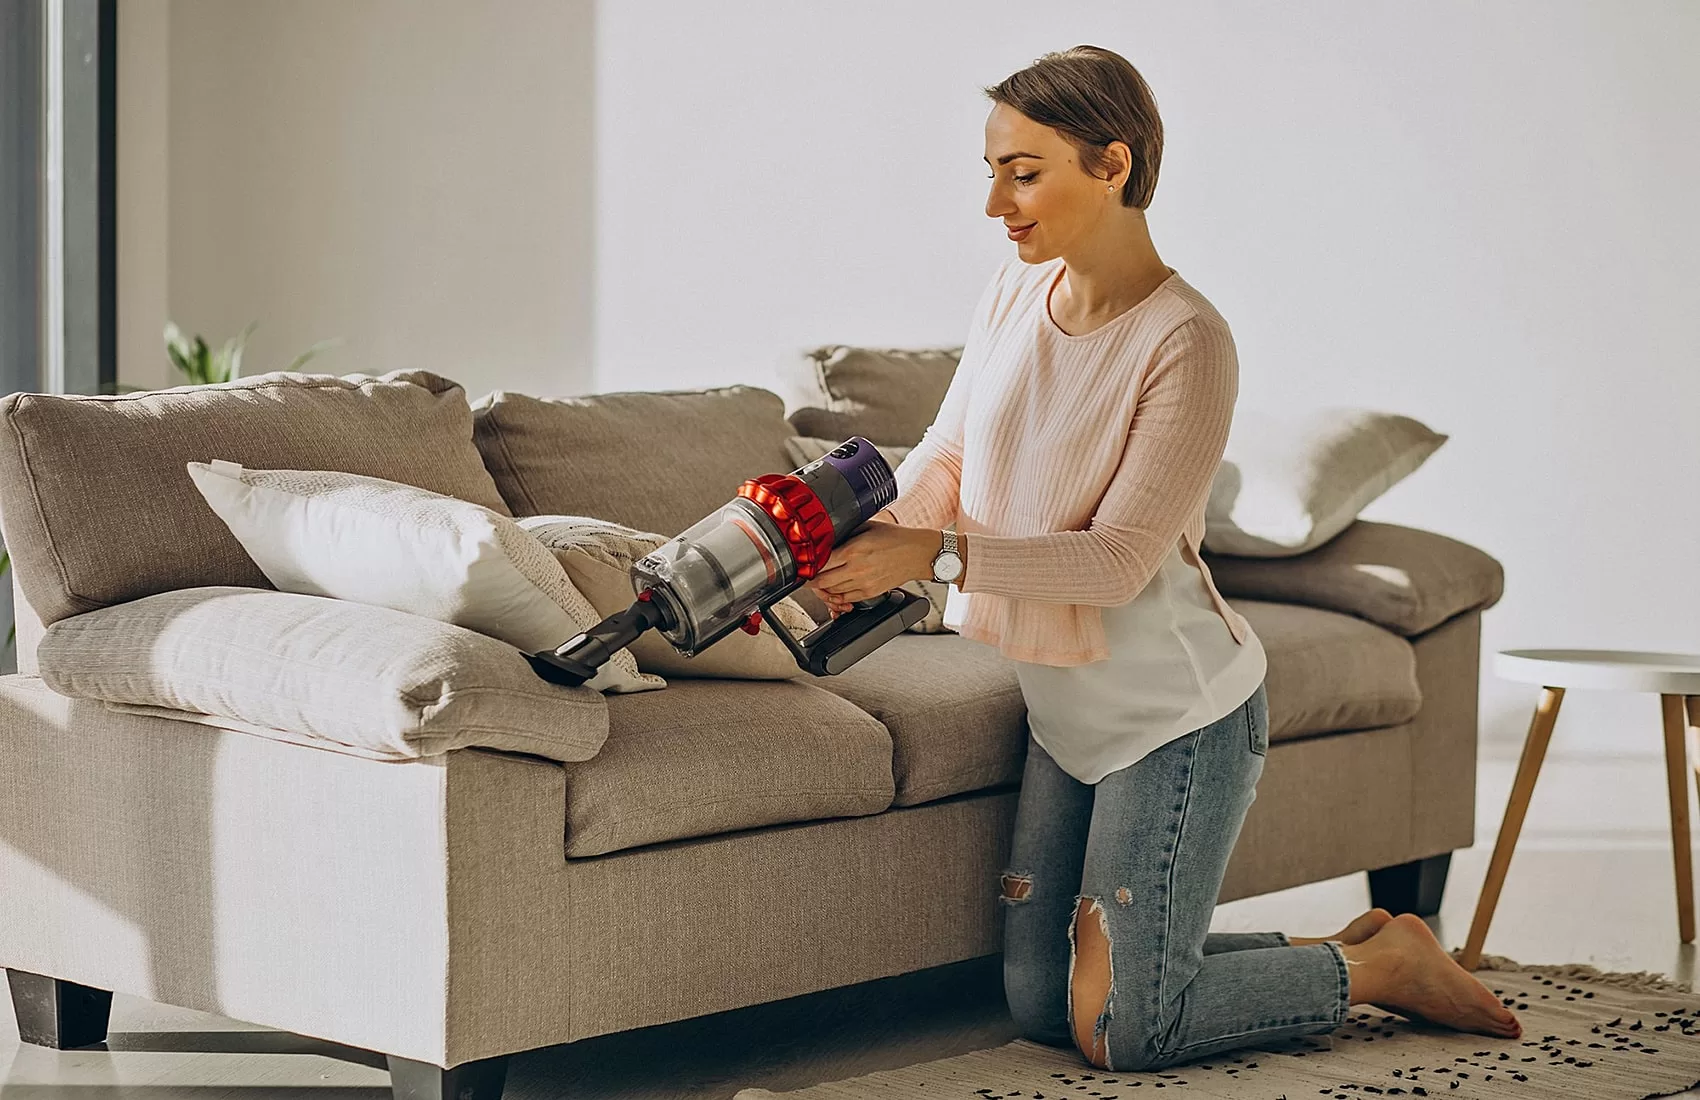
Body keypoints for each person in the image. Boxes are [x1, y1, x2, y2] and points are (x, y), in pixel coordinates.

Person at [804, 45, 1521, 1073]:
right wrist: (854, 543)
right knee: (1038, 1000)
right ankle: (1346, 945)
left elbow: (1114, 565)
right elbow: (949, 456)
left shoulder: (1185, 340)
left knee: (1127, 1027)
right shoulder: (1009, 300)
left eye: (1024, 169)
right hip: (1066, 714)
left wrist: (936, 554)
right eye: (991, 168)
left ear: (1112, 163)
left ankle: (1382, 969)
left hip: (1174, 717)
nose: (996, 201)